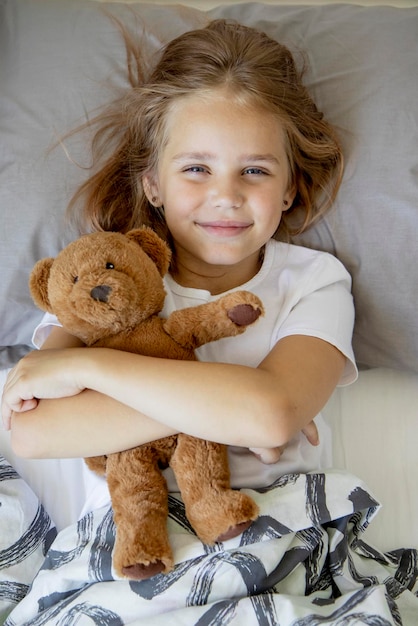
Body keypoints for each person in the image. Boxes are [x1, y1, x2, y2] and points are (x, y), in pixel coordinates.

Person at [1, 19, 357, 507]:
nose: (226, 197)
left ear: (291, 186)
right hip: (128, 543)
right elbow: (35, 432)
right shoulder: (105, 278)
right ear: (153, 184)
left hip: (275, 521)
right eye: (196, 169)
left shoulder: (315, 282)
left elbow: (271, 416)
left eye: (254, 171)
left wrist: (88, 367)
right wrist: (236, 410)